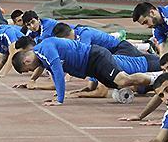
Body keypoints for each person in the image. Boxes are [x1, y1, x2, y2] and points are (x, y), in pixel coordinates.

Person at [10, 37, 153, 106]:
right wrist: (57, 94)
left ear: (26, 61)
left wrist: (59, 100)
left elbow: (58, 73)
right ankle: (153, 83)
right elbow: (53, 74)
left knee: (122, 80)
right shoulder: (42, 59)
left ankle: (155, 77)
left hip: (96, 57)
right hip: (91, 68)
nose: (32, 70)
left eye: (29, 69)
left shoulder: (45, 49)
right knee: (122, 84)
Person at [67, 53, 161, 99]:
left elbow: (101, 93)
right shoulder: (91, 63)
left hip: (150, 66)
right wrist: (75, 92)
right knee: (138, 89)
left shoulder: (100, 64)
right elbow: (91, 87)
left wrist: (78, 95)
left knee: (163, 85)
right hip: (143, 66)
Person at [53, 23, 145, 57]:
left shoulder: (85, 34)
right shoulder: (75, 32)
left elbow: (83, 56)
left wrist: (67, 74)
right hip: (111, 50)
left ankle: (145, 46)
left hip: (119, 49)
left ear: (66, 36)